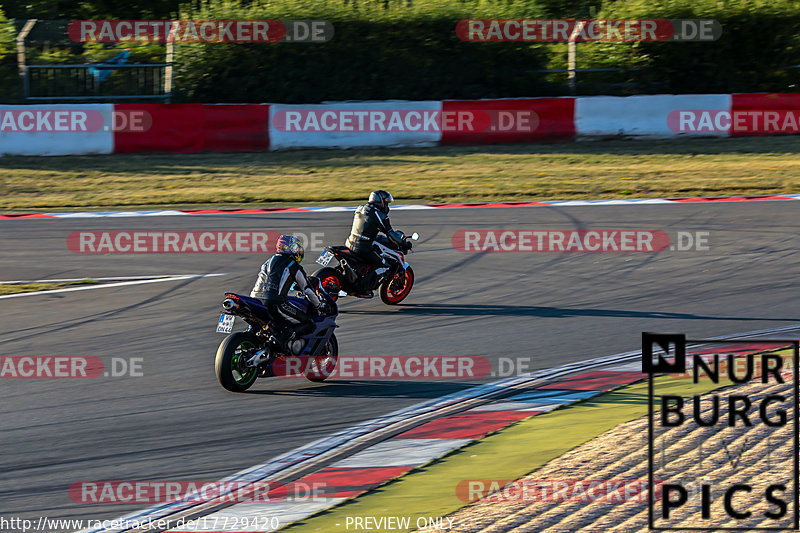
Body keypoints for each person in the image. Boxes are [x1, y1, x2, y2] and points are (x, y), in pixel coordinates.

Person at [250, 234, 326, 352]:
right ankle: (281, 340)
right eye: (297, 248)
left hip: (254, 300)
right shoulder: (292, 265)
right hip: (275, 303)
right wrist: (319, 305)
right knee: (309, 323)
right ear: (293, 249)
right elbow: (307, 289)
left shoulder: (268, 262)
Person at [344, 190, 407, 297]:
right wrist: (404, 243)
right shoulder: (380, 215)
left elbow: (366, 228)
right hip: (363, 247)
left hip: (349, 242)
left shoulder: (360, 208)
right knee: (383, 265)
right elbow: (390, 233)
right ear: (381, 202)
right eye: (386, 202)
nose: (387, 206)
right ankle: (362, 289)